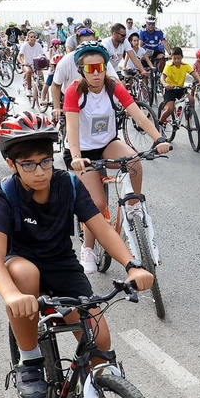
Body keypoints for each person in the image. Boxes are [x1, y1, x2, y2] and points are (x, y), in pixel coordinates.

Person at [0, 113, 154, 398]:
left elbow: (102, 229)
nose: (39, 171)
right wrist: (11, 295)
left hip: (63, 266)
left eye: (45, 161)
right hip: (21, 265)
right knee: (25, 274)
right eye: (28, 164)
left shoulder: (69, 185)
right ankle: (30, 360)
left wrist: (132, 266)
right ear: (12, 165)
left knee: (100, 342)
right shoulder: (4, 194)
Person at [63, 44, 171, 274]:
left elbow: (139, 116)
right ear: (81, 70)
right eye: (90, 69)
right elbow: (71, 128)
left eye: (100, 67)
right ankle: (88, 248)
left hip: (107, 145)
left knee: (133, 161)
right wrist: (76, 157)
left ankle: (133, 208)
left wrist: (159, 138)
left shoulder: (114, 87)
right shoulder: (75, 91)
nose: (96, 73)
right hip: (82, 152)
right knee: (97, 204)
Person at [155, 47, 200, 128]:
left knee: (191, 100)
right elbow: (162, 77)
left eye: (178, 58)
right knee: (170, 109)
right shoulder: (169, 66)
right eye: (174, 58)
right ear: (171, 57)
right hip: (170, 89)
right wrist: (164, 84)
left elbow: (194, 73)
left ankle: (189, 120)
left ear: (182, 57)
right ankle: (160, 122)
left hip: (180, 89)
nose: (176, 60)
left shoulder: (185, 65)